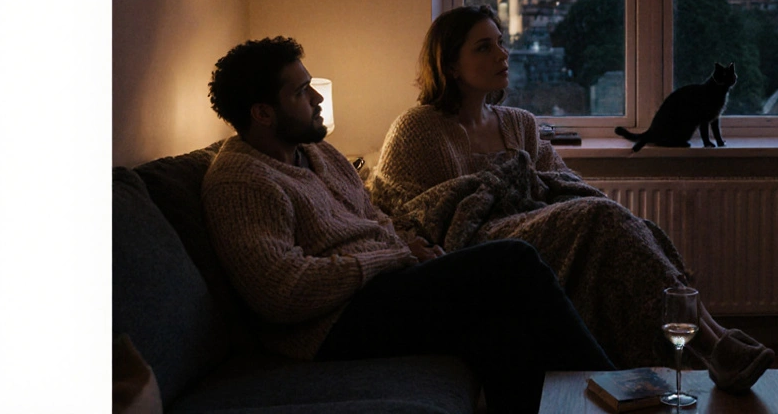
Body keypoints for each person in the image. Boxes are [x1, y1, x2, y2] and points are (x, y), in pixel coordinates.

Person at [368, 6, 776, 393]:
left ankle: (710, 342)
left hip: (535, 232)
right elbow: (390, 210)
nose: (502, 54)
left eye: (500, 42)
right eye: (483, 47)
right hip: (477, 249)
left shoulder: (521, 124)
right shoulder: (417, 128)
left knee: (626, 224)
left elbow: (566, 184)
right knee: (600, 216)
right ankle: (713, 345)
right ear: (450, 65)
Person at [201, 36, 613, 414]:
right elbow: (282, 292)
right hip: (330, 325)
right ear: (262, 113)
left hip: (382, 288)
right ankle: (620, 391)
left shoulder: (318, 152)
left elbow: (373, 217)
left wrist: (412, 250)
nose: (315, 97)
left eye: (309, 85)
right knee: (513, 260)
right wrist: (393, 256)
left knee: (503, 334)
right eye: (299, 92)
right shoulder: (242, 180)